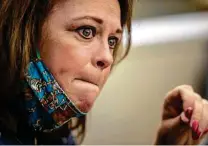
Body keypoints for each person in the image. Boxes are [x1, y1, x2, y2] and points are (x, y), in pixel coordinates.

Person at [0, 0, 208, 145]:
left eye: (112, 41)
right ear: (25, 30)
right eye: (86, 31)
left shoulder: (52, 132)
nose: (107, 57)